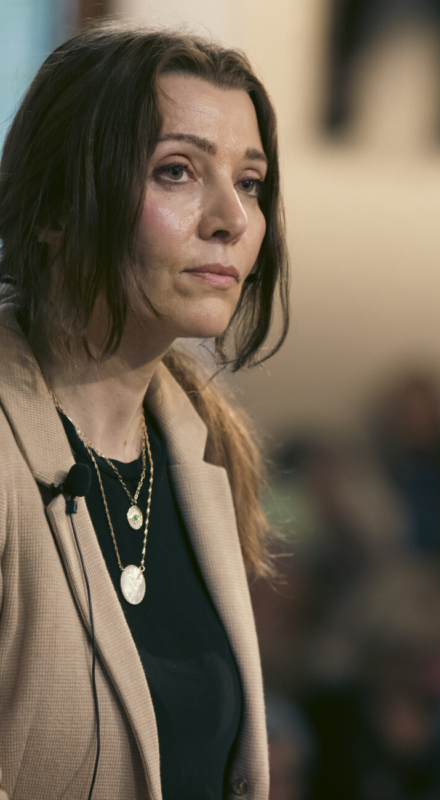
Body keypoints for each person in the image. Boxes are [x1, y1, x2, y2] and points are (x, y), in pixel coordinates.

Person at [0, 22, 289, 800]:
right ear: (57, 209)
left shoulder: (203, 450)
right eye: (177, 172)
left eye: (250, 182)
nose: (231, 218)